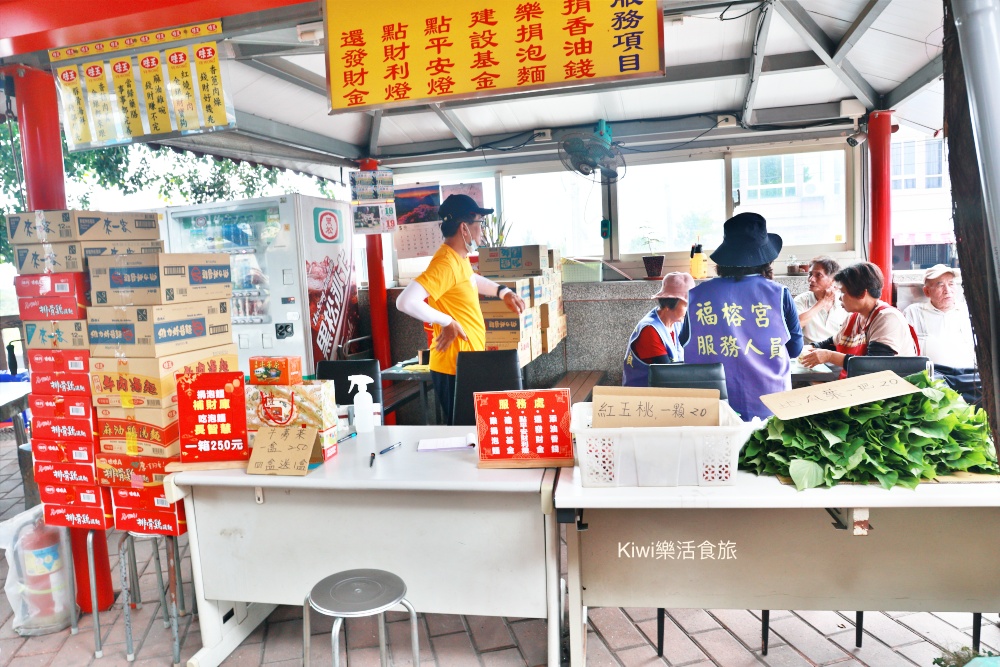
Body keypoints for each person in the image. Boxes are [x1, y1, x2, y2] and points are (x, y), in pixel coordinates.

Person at [396, 194, 526, 424]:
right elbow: (405, 301)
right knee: (463, 435)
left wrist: (502, 291)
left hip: (466, 363)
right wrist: (448, 322)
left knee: (472, 435)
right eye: (479, 223)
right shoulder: (445, 263)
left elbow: (470, 280)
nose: (482, 230)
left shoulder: (458, 258)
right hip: (453, 368)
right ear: (464, 228)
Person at [681, 212, 803, 420]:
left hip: (714, 412)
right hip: (770, 410)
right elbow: (794, 349)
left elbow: (685, 341)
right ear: (766, 259)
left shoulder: (697, 296)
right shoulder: (779, 294)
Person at [800, 262, 917, 377]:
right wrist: (811, 348)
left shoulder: (887, 318)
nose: (839, 297)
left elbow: (876, 365)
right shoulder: (854, 317)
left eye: (843, 292)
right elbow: (833, 343)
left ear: (862, 293)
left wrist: (829, 356)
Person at [904, 264, 980, 404]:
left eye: (951, 284)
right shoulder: (914, 312)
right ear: (927, 292)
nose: (947, 291)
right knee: (938, 397)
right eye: (940, 285)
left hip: (970, 373)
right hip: (936, 373)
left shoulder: (969, 311)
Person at [622, 272, 695, 386]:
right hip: (643, 396)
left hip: (664, 388)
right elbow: (667, 375)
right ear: (668, 304)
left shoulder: (676, 321)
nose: (690, 310)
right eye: (686, 305)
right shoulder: (650, 330)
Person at [794, 256, 848, 344]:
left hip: (837, 352)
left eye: (818, 275)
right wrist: (822, 302)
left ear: (833, 279)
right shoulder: (801, 300)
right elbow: (795, 325)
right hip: (810, 351)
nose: (811, 279)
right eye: (810, 274)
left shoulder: (845, 301)